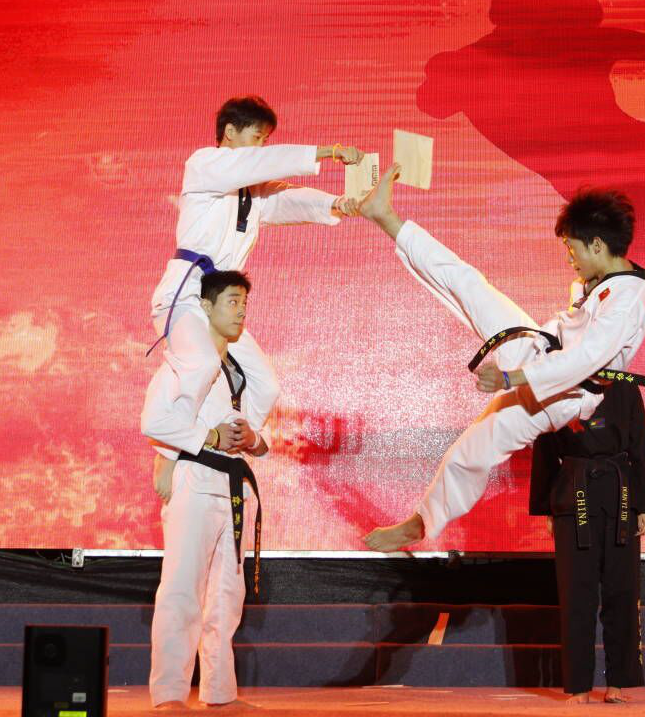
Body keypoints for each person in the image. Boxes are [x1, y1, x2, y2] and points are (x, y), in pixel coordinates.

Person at [361, 165, 645, 551]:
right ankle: (386, 217)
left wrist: (511, 378)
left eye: (573, 249)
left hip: (561, 394)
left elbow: (587, 359)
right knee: (468, 284)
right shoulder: (604, 284)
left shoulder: (629, 297)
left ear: (597, 245)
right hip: (540, 351)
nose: (570, 258)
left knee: (474, 448)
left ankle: (419, 524)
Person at [149, 95, 364, 491]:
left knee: (265, 382)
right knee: (200, 363)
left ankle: (240, 436)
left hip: (221, 303)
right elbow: (257, 164)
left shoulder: (252, 191)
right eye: (257, 137)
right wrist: (327, 151)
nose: (263, 147)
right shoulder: (204, 165)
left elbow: (287, 199)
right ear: (229, 132)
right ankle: (167, 452)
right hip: (187, 295)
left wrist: (338, 204)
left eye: (267, 140)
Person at [141, 270, 269, 709]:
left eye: (244, 304)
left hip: (234, 487)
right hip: (195, 481)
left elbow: (260, 439)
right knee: (182, 590)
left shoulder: (239, 371)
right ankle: (169, 694)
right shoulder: (182, 364)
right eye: (232, 301)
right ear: (206, 308)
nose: (241, 311)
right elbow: (155, 421)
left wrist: (253, 438)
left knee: (226, 598)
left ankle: (220, 691)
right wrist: (201, 440)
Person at [529, 380, 645, 704]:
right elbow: (545, 443)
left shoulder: (627, 387)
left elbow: (640, 443)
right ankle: (578, 686)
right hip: (573, 493)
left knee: (623, 591)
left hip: (620, 494)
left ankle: (619, 682)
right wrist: (548, 506)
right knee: (576, 594)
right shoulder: (559, 382)